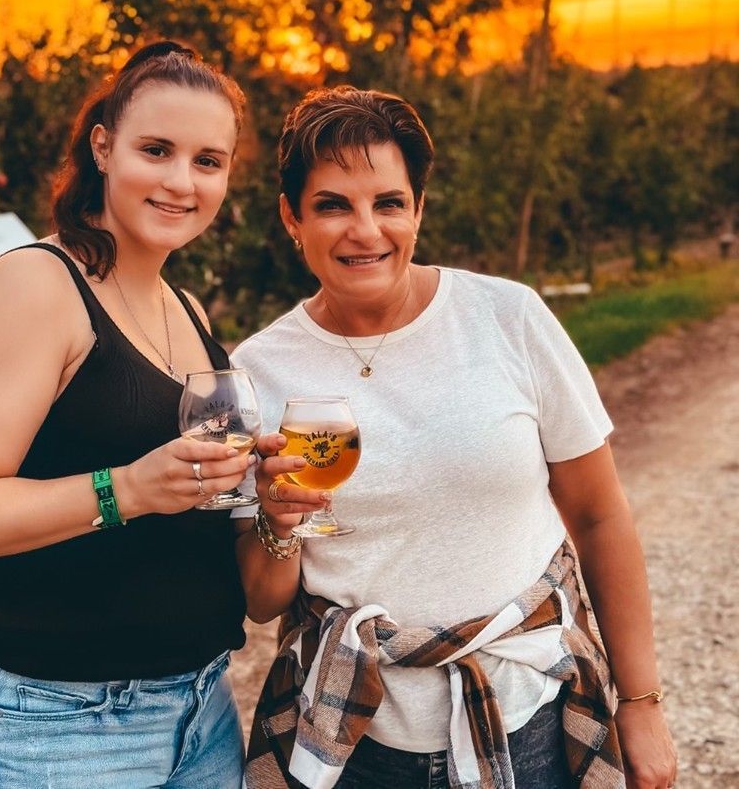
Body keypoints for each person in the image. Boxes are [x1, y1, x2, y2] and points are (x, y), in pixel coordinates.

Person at [233, 86, 677, 789]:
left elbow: (598, 516)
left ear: (418, 209)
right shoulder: (258, 370)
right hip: (355, 742)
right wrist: (278, 523)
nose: (365, 231)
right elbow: (262, 602)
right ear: (291, 216)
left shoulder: (508, 318)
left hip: (529, 722)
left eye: (388, 203)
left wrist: (642, 704)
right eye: (332, 205)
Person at [0, 41, 253, 789]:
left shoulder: (186, 309)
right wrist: (126, 489)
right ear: (103, 146)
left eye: (207, 161)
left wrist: (269, 507)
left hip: (200, 712)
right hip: (57, 727)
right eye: (155, 150)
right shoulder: (37, 286)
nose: (179, 181)